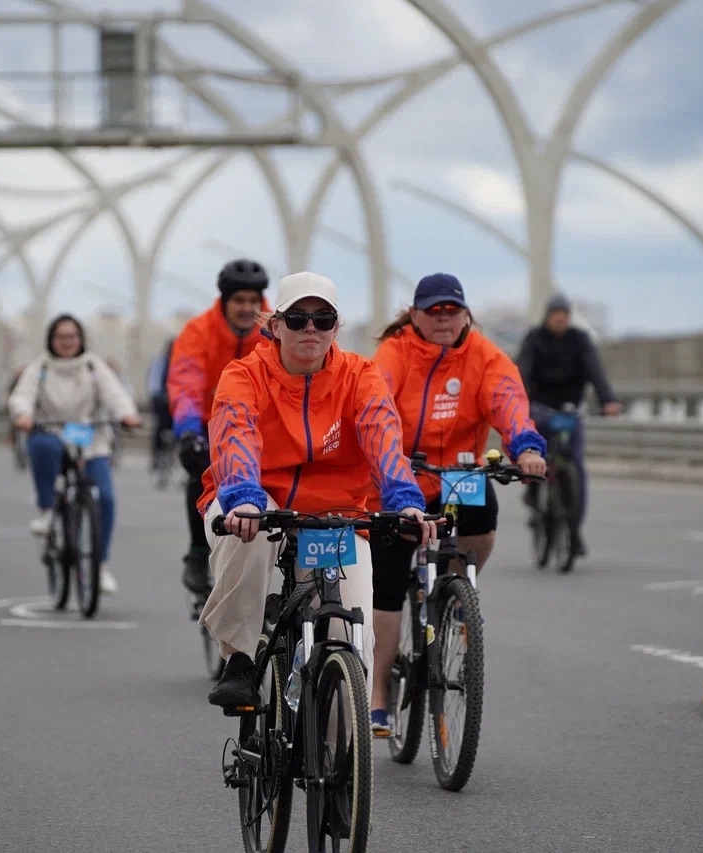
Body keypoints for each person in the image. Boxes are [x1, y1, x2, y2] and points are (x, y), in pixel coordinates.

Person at [197, 271, 440, 708]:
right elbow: (235, 436)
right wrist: (244, 499)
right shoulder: (244, 375)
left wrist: (404, 501)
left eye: (323, 319)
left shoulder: (361, 376)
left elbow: (383, 438)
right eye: (298, 319)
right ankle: (239, 660)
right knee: (250, 537)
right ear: (274, 325)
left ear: (336, 328)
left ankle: (338, 757)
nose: (311, 328)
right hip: (254, 499)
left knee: (353, 641)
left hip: (336, 513)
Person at [367, 273, 548, 735]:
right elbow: (377, 403)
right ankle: (380, 692)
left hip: (458, 473)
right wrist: (386, 461)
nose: (443, 320)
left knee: (483, 517)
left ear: (466, 314)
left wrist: (525, 447)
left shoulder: (484, 356)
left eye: (452, 311)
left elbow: (508, 399)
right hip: (401, 472)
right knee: (387, 583)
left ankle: (456, 591)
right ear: (415, 315)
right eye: (434, 312)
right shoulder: (396, 352)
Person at [8, 314, 142, 596]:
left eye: (72, 336)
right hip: (51, 432)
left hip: (89, 438)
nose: (67, 342)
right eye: (60, 337)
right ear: (51, 340)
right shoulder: (41, 366)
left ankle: (100, 564)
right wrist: (23, 414)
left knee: (105, 497)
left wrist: (127, 415)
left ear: (80, 339)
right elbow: (23, 394)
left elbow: (114, 393)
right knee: (42, 447)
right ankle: (46, 509)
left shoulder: (93, 365)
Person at [166, 259, 271, 596]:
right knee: (200, 470)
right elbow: (186, 382)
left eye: (253, 301)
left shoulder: (275, 330)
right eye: (238, 301)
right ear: (224, 301)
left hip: (263, 427)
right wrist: (187, 430)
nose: (246, 308)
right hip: (211, 427)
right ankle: (198, 552)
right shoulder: (198, 331)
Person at [514, 292, 622, 556]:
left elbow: (596, 370)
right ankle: (533, 491)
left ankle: (574, 527)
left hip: (571, 410)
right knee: (537, 454)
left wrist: (607, 399)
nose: (560, 320)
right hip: (541, 408)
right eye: (555, 315)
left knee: (575, 464)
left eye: (564, 315)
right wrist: (521, 401)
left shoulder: (580, 340)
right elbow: (522, 372)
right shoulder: (534, 339)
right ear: (548, 316)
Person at [146, 338, 176, 476]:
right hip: (161, 399)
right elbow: (154, 382)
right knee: (159, 426)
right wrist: (160, 396)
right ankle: (156, 455)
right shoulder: (160, 361)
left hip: (176, 400)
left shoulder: (181, 361)